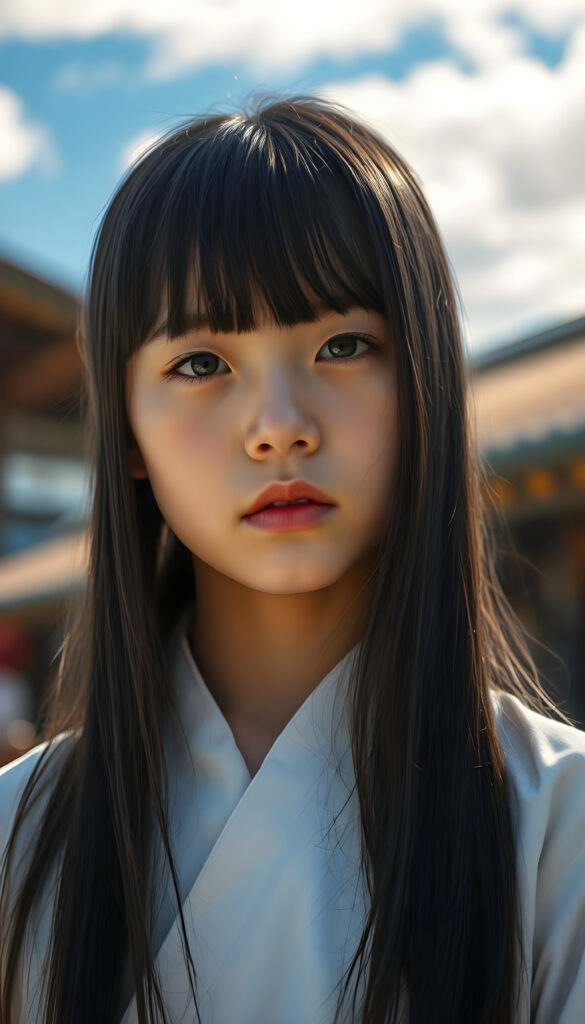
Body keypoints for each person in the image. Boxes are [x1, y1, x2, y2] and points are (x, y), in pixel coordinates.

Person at [1, 95, 584, 1024]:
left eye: (344, 345)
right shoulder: (16, 834)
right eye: (200, 363)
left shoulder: (561, 821)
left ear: (427, 378)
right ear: (127, 433)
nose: (279, 427)